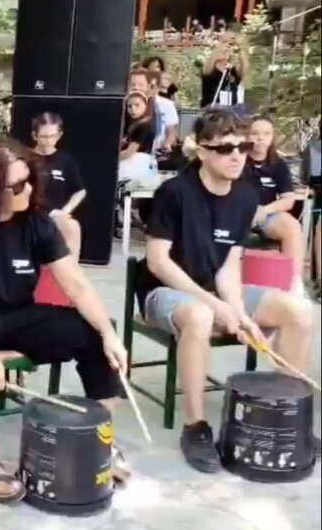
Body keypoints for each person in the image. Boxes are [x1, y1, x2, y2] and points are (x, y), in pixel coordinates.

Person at [0, 138, 132, 504]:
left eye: (28, 179)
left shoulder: (36, 222)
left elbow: (76, 286)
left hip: (19, 314)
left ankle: (100, 441)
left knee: (95, 333)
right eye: (17, 186)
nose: (28, 189)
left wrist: (110, 333)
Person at [137, 108, 319, 472]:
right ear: (202, 151)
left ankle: (284, 414)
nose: (237, 154)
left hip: (214, 289)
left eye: (243, 145)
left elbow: (228, 266)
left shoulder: (245, 197)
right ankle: (196, 427)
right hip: (165, 291)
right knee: (201, 316)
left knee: (299, 311)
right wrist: (214, 305)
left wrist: (237, 310)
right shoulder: (175, 192)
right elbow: (158, 262)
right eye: (225, 148)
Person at [244, 116, 306, 295]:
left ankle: (294, 284)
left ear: (272, 137)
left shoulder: (278, 164)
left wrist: (265, 210)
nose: (260, 138)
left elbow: (288, 200)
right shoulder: (237, 159)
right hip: (236, 212)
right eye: (255, 133)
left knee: (292, 226)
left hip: (266, 214)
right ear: (246, 136)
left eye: (265, 133)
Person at [31, 112, 85, 259]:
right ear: (35, 135)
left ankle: (71, 272)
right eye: (44, 136)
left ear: (59, 135)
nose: (48, 141)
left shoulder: (66, 159)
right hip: (30, 214)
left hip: (55, 214)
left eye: (52, 136)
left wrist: (66, 210)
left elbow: (79, 191)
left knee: (72, 227)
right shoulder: (25, 158)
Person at [200, 39, 248, 108]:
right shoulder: (210, 70)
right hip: (211, 108)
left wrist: (240, 50)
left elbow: (244, 68)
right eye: (224, 51)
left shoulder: (232, 71)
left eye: (228, 51)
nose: (227, 52)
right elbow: (207, 71)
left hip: (229, 110)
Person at [147, 70, 179, 154]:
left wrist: (167, 144)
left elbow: (171, 131)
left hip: (158, 150)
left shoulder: (168, 104)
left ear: (158, 87)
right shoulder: (135, 103)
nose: (150, 89)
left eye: (153, 86)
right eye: (148, 86)